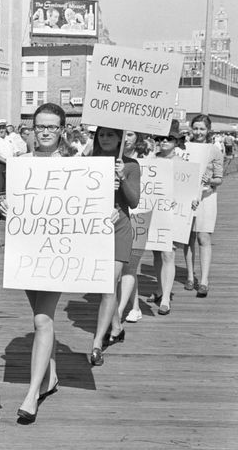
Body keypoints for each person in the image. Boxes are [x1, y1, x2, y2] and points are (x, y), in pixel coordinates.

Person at [6, 103, 73, 422]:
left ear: (62, 130)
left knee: (42, 320)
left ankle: (32, 393)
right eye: (40, 126)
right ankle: (52, 375)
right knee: (40, 315)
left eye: (53, 127)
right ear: (32, 129)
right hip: (27, 251)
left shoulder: (75, 165)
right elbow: (14, 202)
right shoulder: (20, 163)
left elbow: (87, 207)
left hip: (58, 252)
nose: (46, 131)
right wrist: (6, 205)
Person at [88, 127, 140, 366]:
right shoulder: (89, 162)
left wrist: (121, 177)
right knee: (102, 285)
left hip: (119, 228)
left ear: (120, 138)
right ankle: (116, 327)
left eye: (110, 135)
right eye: (101, 135)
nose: (105, 139)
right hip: (95, 229)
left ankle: (97, 343)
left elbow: (133, 201)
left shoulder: (130, 165)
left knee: (109, 284)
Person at [146, 121, 193, 316]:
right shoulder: (150, 160)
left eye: (169, 138)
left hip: (173, 215)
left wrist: (193, 201)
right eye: (161, 138)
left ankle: (166, 296)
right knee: (157, 253)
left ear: (176, 141)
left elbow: (189, 192)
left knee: (168, 254)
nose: (164, 141)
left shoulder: (183, 164)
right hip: (154, 212)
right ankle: (159, 287)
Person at [183, 115, 223, 298]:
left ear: (208, 130)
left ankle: (204, 280)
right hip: (187, 195)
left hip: (207, 196)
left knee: (203, 237)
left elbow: (219, 178)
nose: (198, 132)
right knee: (188, 237)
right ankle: (190, 276)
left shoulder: (214, 150)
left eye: (202, 129)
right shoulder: (183, 148)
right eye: (196, 128)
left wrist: (210, 179)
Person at [117, 130, 151, 324]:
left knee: (130, 265)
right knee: (127, 266)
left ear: (137, 137)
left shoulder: (144, 158)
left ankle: (121, 310)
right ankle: (135, 306)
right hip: (122, 217)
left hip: (141, 215)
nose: (125, 139)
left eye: (130, 134)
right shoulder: (108, 157)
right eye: (122, 135)